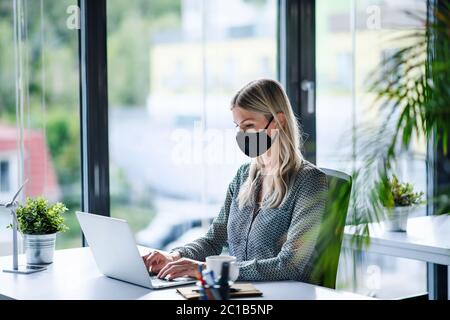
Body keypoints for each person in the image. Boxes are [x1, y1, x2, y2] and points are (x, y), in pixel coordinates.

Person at [143, 79, 328, 282]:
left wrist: (208, 270)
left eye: (248, 125)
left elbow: (290, 265)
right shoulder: (243, 176)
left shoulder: (309, 181)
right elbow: (213, 240)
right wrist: (174, 257)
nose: (241, 135)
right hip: (242, 292)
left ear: (278, 121)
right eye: (238, 127)